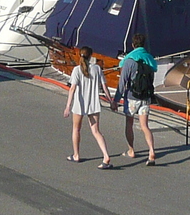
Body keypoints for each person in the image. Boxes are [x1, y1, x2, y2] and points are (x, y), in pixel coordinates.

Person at [111, 33, 158, 165]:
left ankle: (131, 150)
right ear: (143, 44)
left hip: (132, 97)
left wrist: (116, 100)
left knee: (129, 124)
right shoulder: (149, 59)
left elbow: (122, 82)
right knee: (144, 126)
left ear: (133, 45)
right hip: (146, 97)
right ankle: (151, 151)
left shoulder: (129, 60)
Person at [62, 46, 112, 168]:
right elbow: (104, 87)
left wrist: (68, 106)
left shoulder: (77, 70)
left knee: (76, 129)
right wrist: (111, 101)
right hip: (94, 103)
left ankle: (76, 155)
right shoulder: (97, 69)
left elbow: (72, 88)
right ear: (91, 56)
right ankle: (105, 155)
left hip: (80, 104)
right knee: (96, 131)